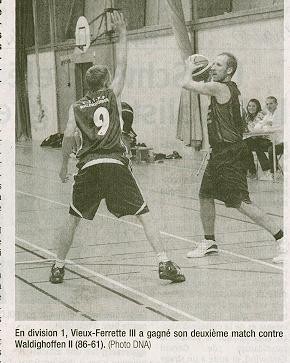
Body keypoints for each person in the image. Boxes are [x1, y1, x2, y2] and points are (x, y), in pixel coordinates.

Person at [49, 11, 185, 284]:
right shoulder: (112, 96)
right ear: (105, 82)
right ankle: (164, 262)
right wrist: (123, 35)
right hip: (114, 164)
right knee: (143, 213)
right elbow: (123, 65)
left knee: (72, 219)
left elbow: (66, 138)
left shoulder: (75, 107)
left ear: (87, 85)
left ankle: (57, 266)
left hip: (88, 168)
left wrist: (64, 165)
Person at [181, 53, 285, 263]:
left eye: (218, 65)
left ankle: (282, 239)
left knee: (242, 203)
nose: (212, 68)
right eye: (213, 64)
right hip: (219, 152)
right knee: (205, 195)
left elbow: (185, 83)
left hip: (230, 154)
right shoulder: (229, 89)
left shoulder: (220, 88)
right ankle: (209, 242)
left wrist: (189, 67)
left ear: (229, 70)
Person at [253, 96, 283, 181]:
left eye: (271, 103)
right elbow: (256, 127)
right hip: (273, 141)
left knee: (271, 149)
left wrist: (266, 126)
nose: (269, 106)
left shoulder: (281, 114)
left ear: (276, 104)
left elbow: (281, 128)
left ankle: (275, 172)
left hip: (283, 142)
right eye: (267, 104)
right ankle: (267, 170)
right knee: (256, 145)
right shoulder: (268, 115)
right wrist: (266, 124)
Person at [243, 99, 271, 179]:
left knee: (246, 144)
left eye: (253, 106)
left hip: (266, 140)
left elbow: (255, 130)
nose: (251, 108)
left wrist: (247, 127)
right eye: (249, 106)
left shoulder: (261, 114)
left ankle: (253, 171)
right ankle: (264, 170)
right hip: (256, 140)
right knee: (245, 145)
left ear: (257, 107)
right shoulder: (248, 116)